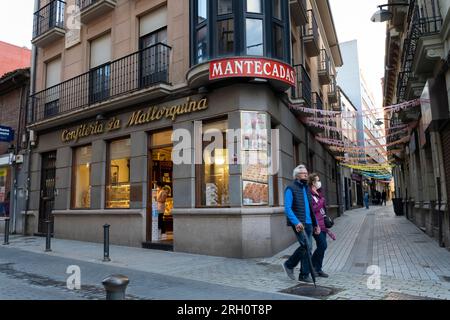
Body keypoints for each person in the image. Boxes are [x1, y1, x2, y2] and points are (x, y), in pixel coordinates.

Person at [282, 165, 321, 283]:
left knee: (308, 249)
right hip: (300, 224)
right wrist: (296, 222)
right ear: (296, 175)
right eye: (303, 173)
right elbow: (287, 208)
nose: (306, 174)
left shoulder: (306, 189)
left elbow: (311, 209)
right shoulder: (290, 188)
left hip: (309, 223)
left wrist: (316, 224)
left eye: (306, 172)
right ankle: (289, 265)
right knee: (306, 246)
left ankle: (304, 275)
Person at [308, 173, 336, 278]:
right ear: (312, 182)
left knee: (322, 247)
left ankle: (318, 269)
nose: (319, 182)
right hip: (316, 224)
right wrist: (321, 201)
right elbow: (313, 209)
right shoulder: (309, 194)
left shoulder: (319, 193)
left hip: (322, 223)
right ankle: (311, 266)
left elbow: (322, 209)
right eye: (317, 180)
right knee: (323, 245)